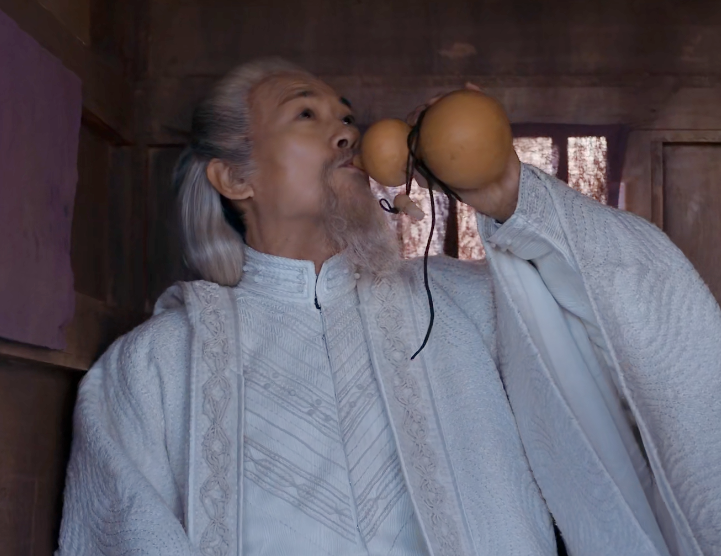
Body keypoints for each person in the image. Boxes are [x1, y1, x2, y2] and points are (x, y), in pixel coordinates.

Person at [56, 58, 721, 556]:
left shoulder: (464, 305)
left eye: (347, 117)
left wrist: (508, 194)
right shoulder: (153, 366)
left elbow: (639, 332)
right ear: (235, 178)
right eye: (307, 115)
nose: (347, 133)